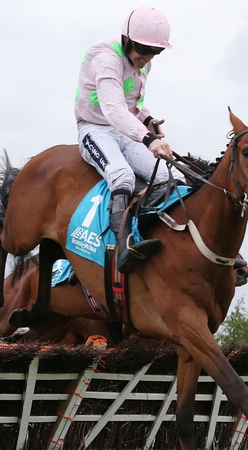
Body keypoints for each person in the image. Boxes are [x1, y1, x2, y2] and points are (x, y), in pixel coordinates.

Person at [74, 6, 185, 274]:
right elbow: (112, 109)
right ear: (126, 38)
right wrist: (148, 140)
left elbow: (132, 106)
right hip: (95, 129)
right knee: (122, 176)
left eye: (154, 52)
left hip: (126, 130)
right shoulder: (106, 58)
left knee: (168, 178)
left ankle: (155, 235)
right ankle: (123, 247)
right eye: (142, 49)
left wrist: (148, 121)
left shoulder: (143, 63)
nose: (147, 57)